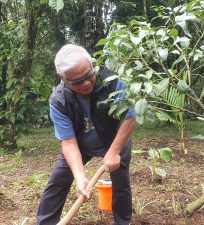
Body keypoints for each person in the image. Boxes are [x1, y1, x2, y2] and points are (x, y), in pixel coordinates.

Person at [36, 44, 136, 225]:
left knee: (120, 183)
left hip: (114, 140)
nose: (87, 83)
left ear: (92, 65)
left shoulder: (113, 81)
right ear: (63, 79)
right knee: (57, 182)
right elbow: (68, 143)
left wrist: (113, 152)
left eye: (89, 75)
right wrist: (80, 178)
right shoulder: (59, 101)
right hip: (81, 145)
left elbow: (129, 117)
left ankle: (123, 223)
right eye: (77, 82)